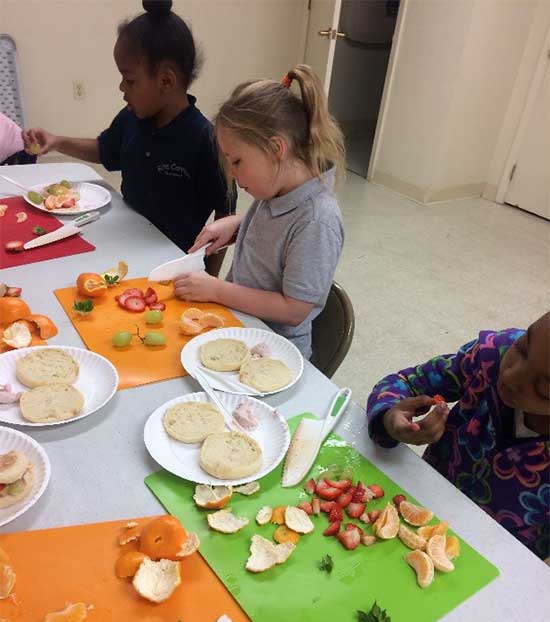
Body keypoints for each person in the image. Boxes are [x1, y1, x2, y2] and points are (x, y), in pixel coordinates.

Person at [22, 0, 233, 272]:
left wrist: (211, 281)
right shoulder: (132, 117)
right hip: (122, 248)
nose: (122, 87)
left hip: (172, 265)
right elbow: (105, 149)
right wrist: (58, 141)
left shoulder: (206, 140)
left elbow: (225, 215)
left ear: (166, 81)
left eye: (130, 80)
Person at [174, 65, 345, 358]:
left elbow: (294, 309)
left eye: (237, 161)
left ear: (276, 148)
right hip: (240, 327)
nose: (231, 174)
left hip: (273, 354)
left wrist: (216, 290)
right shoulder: (278, 189)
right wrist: (239, 224)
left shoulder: (318, 220)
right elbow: (279, 231)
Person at [366, 312, 550, 561]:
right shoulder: (491, 356)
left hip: (492, 556)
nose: (510, 376)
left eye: (544, 388)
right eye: (524, 348)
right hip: (415, 500)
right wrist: (389, 418)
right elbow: (405, 381)